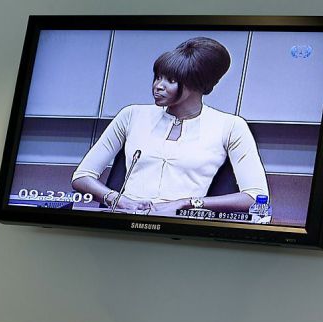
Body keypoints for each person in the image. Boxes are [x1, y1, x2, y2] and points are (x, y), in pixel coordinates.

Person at [72, 37, 269, 216]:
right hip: (125, 220)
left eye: (171, 80)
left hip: (182, 226)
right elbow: (81, 177)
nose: (158, 86)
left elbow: (256, 196)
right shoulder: (131, 115)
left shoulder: (231, 126)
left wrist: (187, 203)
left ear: (197, 84)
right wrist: (118, 200)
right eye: (158, 77)